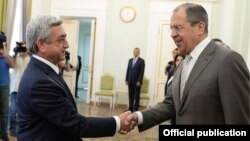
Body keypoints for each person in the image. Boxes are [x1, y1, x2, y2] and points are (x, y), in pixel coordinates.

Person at [123, 3, 249, 132]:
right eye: (171, 29)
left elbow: (239, 121)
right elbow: (171, 104)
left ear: (200, 27)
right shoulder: (182, 64)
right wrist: (138, 117)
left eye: (178, 27)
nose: (172, 34)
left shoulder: (228, 60)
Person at [16, 15, 134, 141]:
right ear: (41, 44)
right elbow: (76, 124)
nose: (66, 45)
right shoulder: (39, 82)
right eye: (61, 40)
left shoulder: (45, 71)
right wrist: (117, 123)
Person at [9, 43, 30, 137]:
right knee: (13, 111)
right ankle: (12, 129)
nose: (22, 50)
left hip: (25, 89)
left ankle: (23, 128)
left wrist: (27, 51)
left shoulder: (29, 59)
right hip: (15, 88)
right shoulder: (15, 57)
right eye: (21, 48)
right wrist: (16, 52)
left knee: (24, 111)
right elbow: (12, 65)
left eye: (23, 48)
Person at [0, 31, 15, 141]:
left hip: (4, 86)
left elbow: (13, 65)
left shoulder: (6, 56)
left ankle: (4, 134)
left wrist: (5, 53)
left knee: (5, 112)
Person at [125, 48, 145, 112]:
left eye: (137, 52)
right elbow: (128, 70)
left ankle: (136, 109)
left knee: (136, 96)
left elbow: (142, 72)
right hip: (130, 80)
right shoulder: (130, 60)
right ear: (133, 52)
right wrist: (126, 79)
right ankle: (130, 108)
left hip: (137, 82)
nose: (135, 53)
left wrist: (139, 81)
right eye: (134, 52)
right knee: (130, 95)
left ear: (139, 53)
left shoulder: (141, 61)